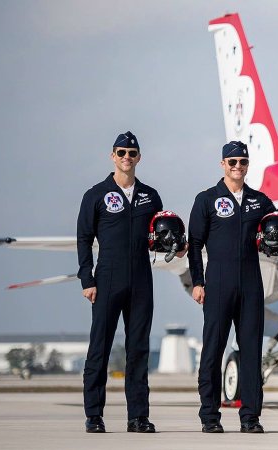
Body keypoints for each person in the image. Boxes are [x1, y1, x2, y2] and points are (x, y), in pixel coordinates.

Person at [78, 131, 186, 433]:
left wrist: (176, 245)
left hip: (141, 279)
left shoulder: (150, 196)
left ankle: (138, 416)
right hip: (107, 278)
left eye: (132, 153)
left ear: (139, 157)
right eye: (121, 152)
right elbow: (84, 239)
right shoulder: (96, 195)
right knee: (99, 347)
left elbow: (158, 239)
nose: (127, 157)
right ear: (112, 156)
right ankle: (94, 415)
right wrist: (87, 278)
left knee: (138, 349)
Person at [188, 141, 278, 433]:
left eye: (243, 162)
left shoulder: (259, 201)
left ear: (248, 165)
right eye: (232, 162)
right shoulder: (206, 200)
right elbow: (195, 245)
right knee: (212, 350)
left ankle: (251, 417)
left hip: (251, 283)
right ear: (223, 164)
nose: (238, 167)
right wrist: (198, 281)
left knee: (251, 352)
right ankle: (209, 417)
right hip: (218, 283)